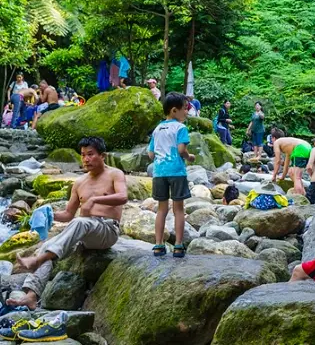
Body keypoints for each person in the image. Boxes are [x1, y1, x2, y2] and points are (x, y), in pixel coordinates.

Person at [9, 137, 127, 310]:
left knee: (80, 223)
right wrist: (48, 214)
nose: (86, 159)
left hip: (107, 230)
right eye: (83, 155)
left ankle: (36, 261)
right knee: (47, 246)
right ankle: (31, 296)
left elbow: (123, 197)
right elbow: (68, 214)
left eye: (91, 154)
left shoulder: (115, 174)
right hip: (84, 234)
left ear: (103, 156)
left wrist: (95, 200)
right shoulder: (79, 183)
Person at [147, 92, 195, 258]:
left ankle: (159, 245)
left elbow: (151, 154)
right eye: (185, 109)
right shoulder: (181, 128)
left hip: (159, 172)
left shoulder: (157, 129)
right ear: (174, 110)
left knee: (161, 209)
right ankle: (178, 246)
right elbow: (181, 150)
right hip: (176, 172)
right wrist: (189, 157)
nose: (187, 112)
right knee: (178, 209)